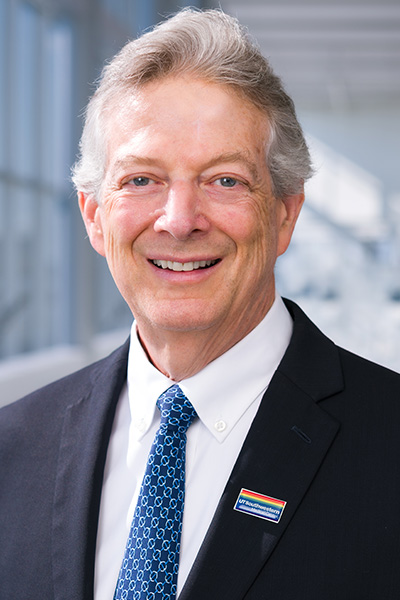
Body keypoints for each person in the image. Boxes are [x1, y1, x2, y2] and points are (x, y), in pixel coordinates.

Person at [1, 8, 400, 600]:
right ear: (94, 216)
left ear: (285, 213)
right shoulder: (14, 450)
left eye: (224, 180)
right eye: (141, 180)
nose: (179, 221)